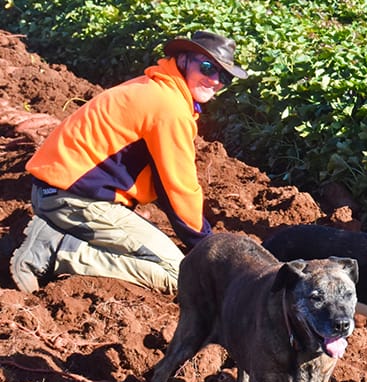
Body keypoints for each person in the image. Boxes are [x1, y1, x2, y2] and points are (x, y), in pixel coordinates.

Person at [8, 30, 247, 296]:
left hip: (56, 194)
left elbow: (165, 184)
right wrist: (206, 246)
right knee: (179, 275)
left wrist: (197, 240)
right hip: (72, 201)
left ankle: (53, 239)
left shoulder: (155, 88)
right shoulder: (169, 107)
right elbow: (179, 187)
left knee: (157, 254)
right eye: (207, 68)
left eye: (224, 77)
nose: (214, 80)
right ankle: (52, 251)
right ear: (182, 60)